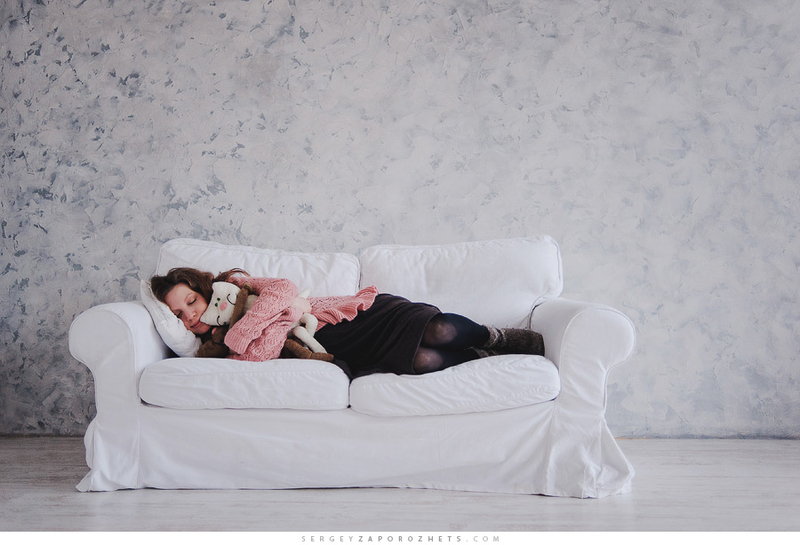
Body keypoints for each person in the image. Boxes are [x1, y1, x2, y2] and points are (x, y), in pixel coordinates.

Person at [150, 267, 545, 378]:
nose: (190, 315)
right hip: (341, 352)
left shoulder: (235, 289)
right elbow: (259, 356)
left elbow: (283, 288)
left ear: (204, 290)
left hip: (357, 318)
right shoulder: (215, 351)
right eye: (179, 315)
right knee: (424, 361)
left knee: (438, 330)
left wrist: (249, 325)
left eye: (191, 301)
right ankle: (481, 357)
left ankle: (495, 336)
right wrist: (281, 319)